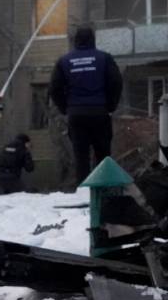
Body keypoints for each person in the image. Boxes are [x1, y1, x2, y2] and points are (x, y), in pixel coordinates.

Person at [50, 25, 122, 185]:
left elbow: (54, 89)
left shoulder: (64, 61)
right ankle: (104, 190)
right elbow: (116, 83)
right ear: (93, 40)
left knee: (81, 157)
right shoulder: (104, 58)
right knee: (103, 156)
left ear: (76, 40)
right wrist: (110, 106)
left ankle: (84, 191)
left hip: (76, 115)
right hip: (100, 113)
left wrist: (65, 108)